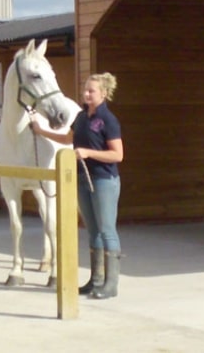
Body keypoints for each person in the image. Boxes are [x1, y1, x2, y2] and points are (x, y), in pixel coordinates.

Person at [31, 72, 124, 299]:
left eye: (91, 91)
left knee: (107, 230)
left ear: (103, 93)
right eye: (85, 89)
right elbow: (68, 139)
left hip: (103, 179)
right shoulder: (82, 117)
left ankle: (111, 284)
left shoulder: (108, 121)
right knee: (92, 230)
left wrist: (88, 152)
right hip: (83, 178)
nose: (86, 93)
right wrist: (41, 131)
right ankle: (96, 280)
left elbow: (117, 155)